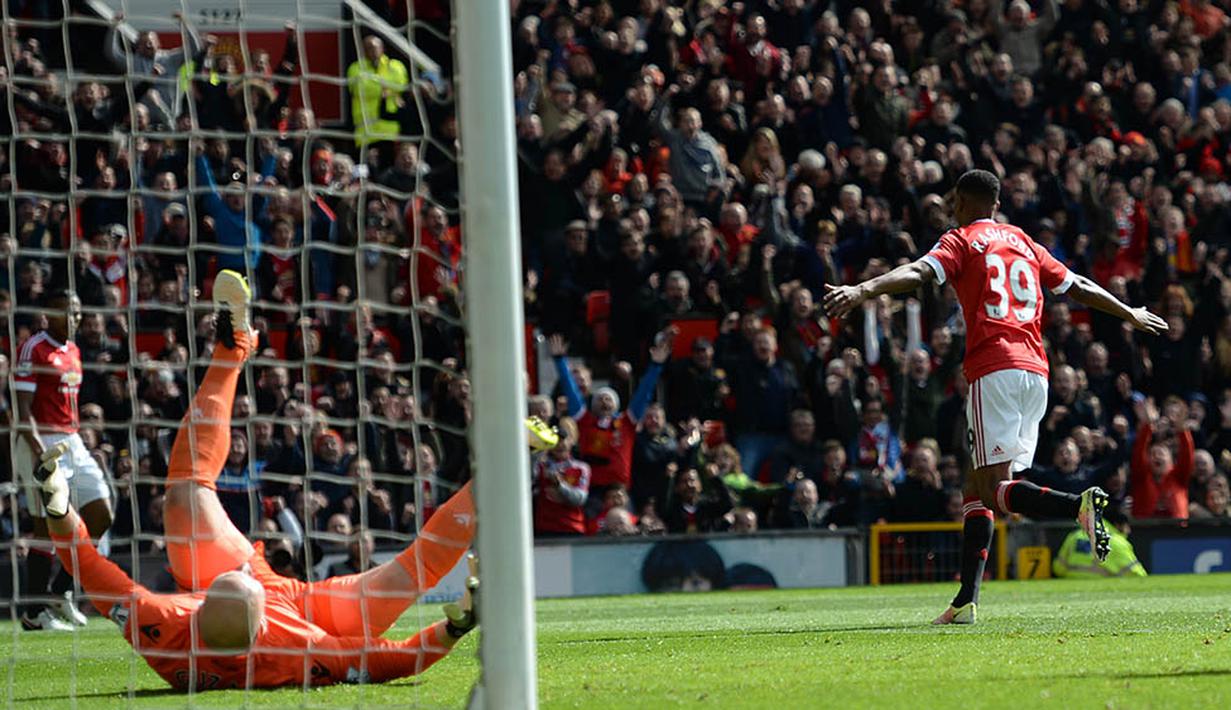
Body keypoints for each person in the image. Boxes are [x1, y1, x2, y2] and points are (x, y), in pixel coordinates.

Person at [40, 272, 485, 690]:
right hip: (317, 611)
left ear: (199, 600)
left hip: (255, 603)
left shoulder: (162, 621)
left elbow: (89, 568)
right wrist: (452, 628)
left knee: (183, 495)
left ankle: (231, 350)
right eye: (244, 573)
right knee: (408, 575)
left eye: (225, 580)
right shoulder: (298, 649)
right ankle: (502, 471)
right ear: (259, 618)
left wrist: (59, 510)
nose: (248, 564)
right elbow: (390, 660)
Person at [823, 170, 1168, 624]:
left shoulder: (962, 239)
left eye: (953, 201)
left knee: (992, 488)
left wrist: (864, 289)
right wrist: (1129, 312)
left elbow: (920, 272)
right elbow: (1077, 286)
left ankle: (1076, 505)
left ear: (964, 202)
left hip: (994, 368)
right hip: (1037, 372)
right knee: (976, 485)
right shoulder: (1024, 240)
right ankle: (966, 599)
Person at [15, 289, 114, 631]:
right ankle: (33, 611)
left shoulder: (73, 350)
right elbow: (21, 410)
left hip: (72, 438)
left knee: (101, 513)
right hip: (39, 439)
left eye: (77, 312)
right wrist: (41, 451)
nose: (73, 319)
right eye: (66, 312)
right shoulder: (33, 348)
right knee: (45, 528)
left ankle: (62, 591)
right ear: (48, 313)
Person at [1052, 508, 1146, 578]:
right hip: (1102, 591)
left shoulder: (1074, 536)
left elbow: (1058, 568)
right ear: (1117, 525)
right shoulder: (1117, 542)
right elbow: (1136, 574)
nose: (1129, 531)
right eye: (1126, 526)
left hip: (1070, 588)